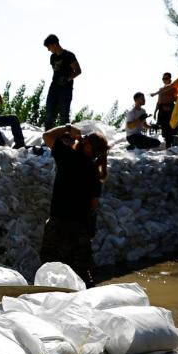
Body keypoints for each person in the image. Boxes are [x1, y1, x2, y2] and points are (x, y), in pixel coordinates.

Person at [40, 123, 110, 287]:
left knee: (50, 272)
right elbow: (93, 206)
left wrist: (68, 129)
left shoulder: (69, 158)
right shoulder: (94, 172)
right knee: (82, 276)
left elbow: (47, 136)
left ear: (87, 146)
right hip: (79, 231)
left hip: (58, 227)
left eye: (84, 140)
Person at [42, 34, 81, 131]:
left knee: (64, 114)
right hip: (54, 87)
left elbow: (78, 71)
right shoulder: (52, 57)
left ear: (54, 44)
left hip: (66, 89)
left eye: (49, 47)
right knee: (49, 113)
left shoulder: (69, 55)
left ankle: (66, 138)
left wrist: (67, 78)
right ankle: (48, 136)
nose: (48, 50)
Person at [150, 72, 177, 146]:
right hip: (162, 111)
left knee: (171, 129)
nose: (164, 80)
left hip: (170, 110)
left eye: (166, 78)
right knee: (164, 129)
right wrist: (155, 112)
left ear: (170, 79)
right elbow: (159, 102)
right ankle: (168, 146)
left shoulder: (173, 88)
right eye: (163, 78)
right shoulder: (160, 89)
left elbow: (176, 99)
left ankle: (170, 145)